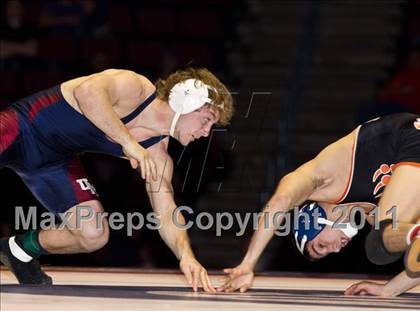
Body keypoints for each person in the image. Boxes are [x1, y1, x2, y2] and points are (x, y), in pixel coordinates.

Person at [0, 68, 233, 293]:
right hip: (23, 126)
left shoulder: (157, 155)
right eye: (207, 120)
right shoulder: (136, 88)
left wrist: (187, 257)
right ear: (186, 101)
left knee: (93, 233)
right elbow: (87, 92)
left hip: (53, 162)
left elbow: (166, 212)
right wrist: (129, 142)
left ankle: (18, 250)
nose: (206, 132)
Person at [218, 113, 420, 297]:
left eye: (321, 245)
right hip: (409, 148)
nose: (336, 250)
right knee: (386, 245)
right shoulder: (373, 211)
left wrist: (248, 263)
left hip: (407, 138)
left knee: (379, 245)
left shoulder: (321, 179)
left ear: (313, 220)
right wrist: (388, 290)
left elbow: (280, 202)